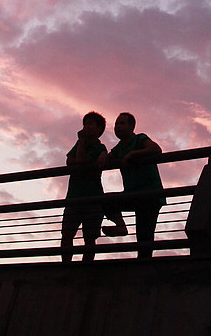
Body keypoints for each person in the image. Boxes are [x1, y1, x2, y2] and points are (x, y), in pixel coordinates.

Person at [98, 112, 166, 259]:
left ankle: (143, 268)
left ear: (132, 126)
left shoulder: (139, 138)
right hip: (133, 194)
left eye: (122, 123)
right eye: (116, 124)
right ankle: (121, 226)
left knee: (144, 237)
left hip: (150, 195)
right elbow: (107, 158)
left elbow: (156, 149)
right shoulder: (119, 147)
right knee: (105, 200)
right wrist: (103, 153)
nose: (117, 127)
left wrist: (132, 155)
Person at [61, 111, 108, 262]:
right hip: (74, 197)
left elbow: (79, 160)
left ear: (99, 128)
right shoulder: (80, 144)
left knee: (89, 238)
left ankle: (86, 268)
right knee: (67, 234)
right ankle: (66, 266)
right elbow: (69, 160)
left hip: (92, 199)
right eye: (85, 124)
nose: (86, 127)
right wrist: (80, 160)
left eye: (90, 124)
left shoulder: (100, 149)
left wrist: (80, 144)